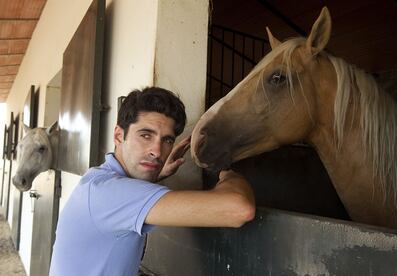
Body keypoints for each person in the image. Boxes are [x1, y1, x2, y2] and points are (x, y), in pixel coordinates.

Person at [49, 87, 255, 276]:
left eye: (166, 140)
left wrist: (157, 175)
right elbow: (239, 209)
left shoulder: (97, 180)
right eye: (146, 135)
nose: (157, 151)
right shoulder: (111, 194)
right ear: (119, 136)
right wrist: (229, 173)